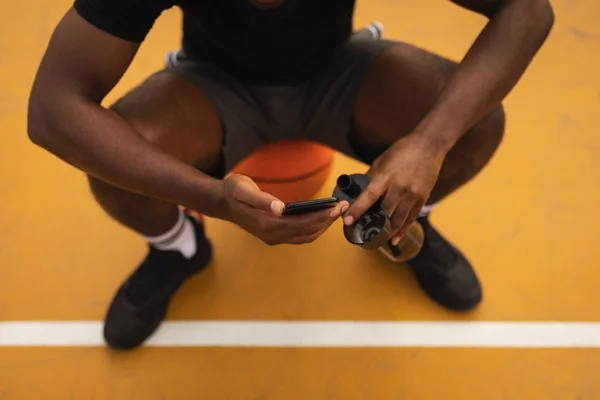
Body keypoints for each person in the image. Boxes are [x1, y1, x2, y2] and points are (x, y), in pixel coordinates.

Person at [27, 0, 554, 349]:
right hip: (212, 82)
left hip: (336, 69)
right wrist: (212, 198)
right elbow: (52, 110)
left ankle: (403, 214)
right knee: (113, 160)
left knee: (474, 124)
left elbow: (528, 9)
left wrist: (427, 145)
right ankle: (178, 249)